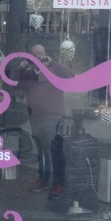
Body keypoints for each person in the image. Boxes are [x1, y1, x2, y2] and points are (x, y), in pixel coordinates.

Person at [19, 44, 73, 200]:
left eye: (40, 56)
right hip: (35, 117)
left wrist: (52, 63)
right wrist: (21, 69)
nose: (37, 59)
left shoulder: (54, 69)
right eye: (34, 56)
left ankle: (58, 184)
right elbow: (16, 85)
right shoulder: (29, 72)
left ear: (45, 55)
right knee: (42, 151)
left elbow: (70, 76)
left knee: (54, 151)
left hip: (53, 116)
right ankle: (44, 178)